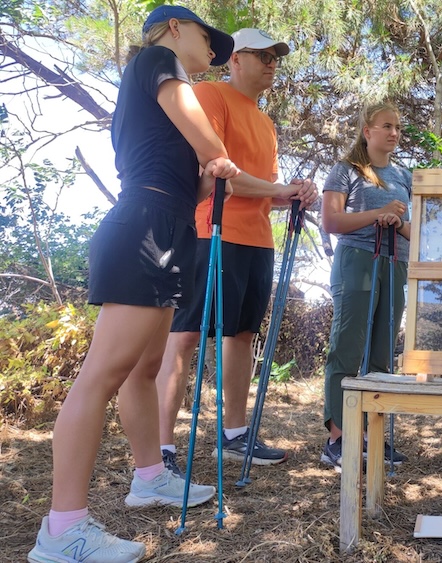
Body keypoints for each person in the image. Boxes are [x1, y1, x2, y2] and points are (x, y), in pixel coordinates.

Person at [28, 6, 240, 562]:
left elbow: (198, 185)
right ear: (174, 29)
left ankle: (150, 476)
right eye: (205, 37)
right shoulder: (156, 60)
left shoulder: (158, 96)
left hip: (165, 225)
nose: (213, 51)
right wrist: (217, 156)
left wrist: (250, 182)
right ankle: (62, 529)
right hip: (145, 227)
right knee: (100, 375)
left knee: (143, 369)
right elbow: (209, 146)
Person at [153, 28, 319, 477]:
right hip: (211, 233)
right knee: (184, 336)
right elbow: (220, 171)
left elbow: (265, 189)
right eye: (261, 55)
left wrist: (296, 193)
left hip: (257, 240)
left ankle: (234, 436)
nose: (271, 63)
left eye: (275, 56)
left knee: (242, 335)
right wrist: (280, 188)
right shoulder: (209, 95)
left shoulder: (266, 123)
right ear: (235, 61)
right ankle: (161, 447)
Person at [320, 101, 412, 472]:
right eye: (386, 126)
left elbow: (417, 229)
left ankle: (373, 436)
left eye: (398, 128)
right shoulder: (346, 171)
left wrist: (397, 221)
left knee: (382, 352)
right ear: (367, 131)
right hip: (357, 262)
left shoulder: (405, 176)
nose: (394, 133)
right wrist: (378, 213)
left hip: (395, 262)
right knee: (347, 347)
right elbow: (331, 220)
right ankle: (338, 439)